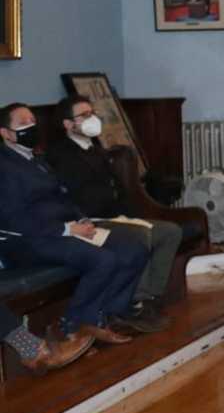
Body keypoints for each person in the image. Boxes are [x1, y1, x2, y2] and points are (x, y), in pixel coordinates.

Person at [0, 103, 147, 346]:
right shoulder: (4, 166)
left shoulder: (37, 159)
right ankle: (71, 326)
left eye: (33, 121)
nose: (32, 127)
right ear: (5, 133)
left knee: (134, 249)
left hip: (63, 230)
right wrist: (67, 229)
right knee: (103, 260)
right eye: (23, 123)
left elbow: (63, 196)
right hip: (29, 240)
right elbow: (15, 219)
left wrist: (81, 219)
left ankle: (103, 316)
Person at [45, 95, 181, 331]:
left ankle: (148, 296)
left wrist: (133, 216)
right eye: (84, 115)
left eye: (92, 113)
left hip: (115, 216)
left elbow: (118, 190)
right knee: (140, 236)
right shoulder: (60, 155)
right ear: (68, 124)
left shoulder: (96, 149)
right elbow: (76, 198)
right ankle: (132, 303)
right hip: (90, 220)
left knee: (170, 231)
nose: (92, 118)